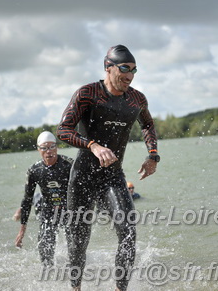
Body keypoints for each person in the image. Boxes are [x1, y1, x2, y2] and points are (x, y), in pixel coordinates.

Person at [57, 44, 160, 291]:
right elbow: (63, 130)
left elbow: (147, 124)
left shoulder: (136, 99)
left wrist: (153, 155)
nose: (130, 75)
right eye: (125, 68)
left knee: (128, 232)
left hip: (112, 176)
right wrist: (92, 145)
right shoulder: (87, 94)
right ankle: (76, 287)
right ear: (108, 67)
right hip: (82, 177)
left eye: (134, 70)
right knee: (78, 241)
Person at [14, 131, 74, 267]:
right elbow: (27, 199)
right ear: (38, 149)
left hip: (69, 209)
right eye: (44, 148)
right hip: (48, 210)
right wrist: (22, 230)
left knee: (75, 248)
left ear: (57, 147)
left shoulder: (69, 165)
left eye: (52, 146)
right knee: (45, 250)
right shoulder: (34, 170)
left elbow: (84, 188)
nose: (49, 151)